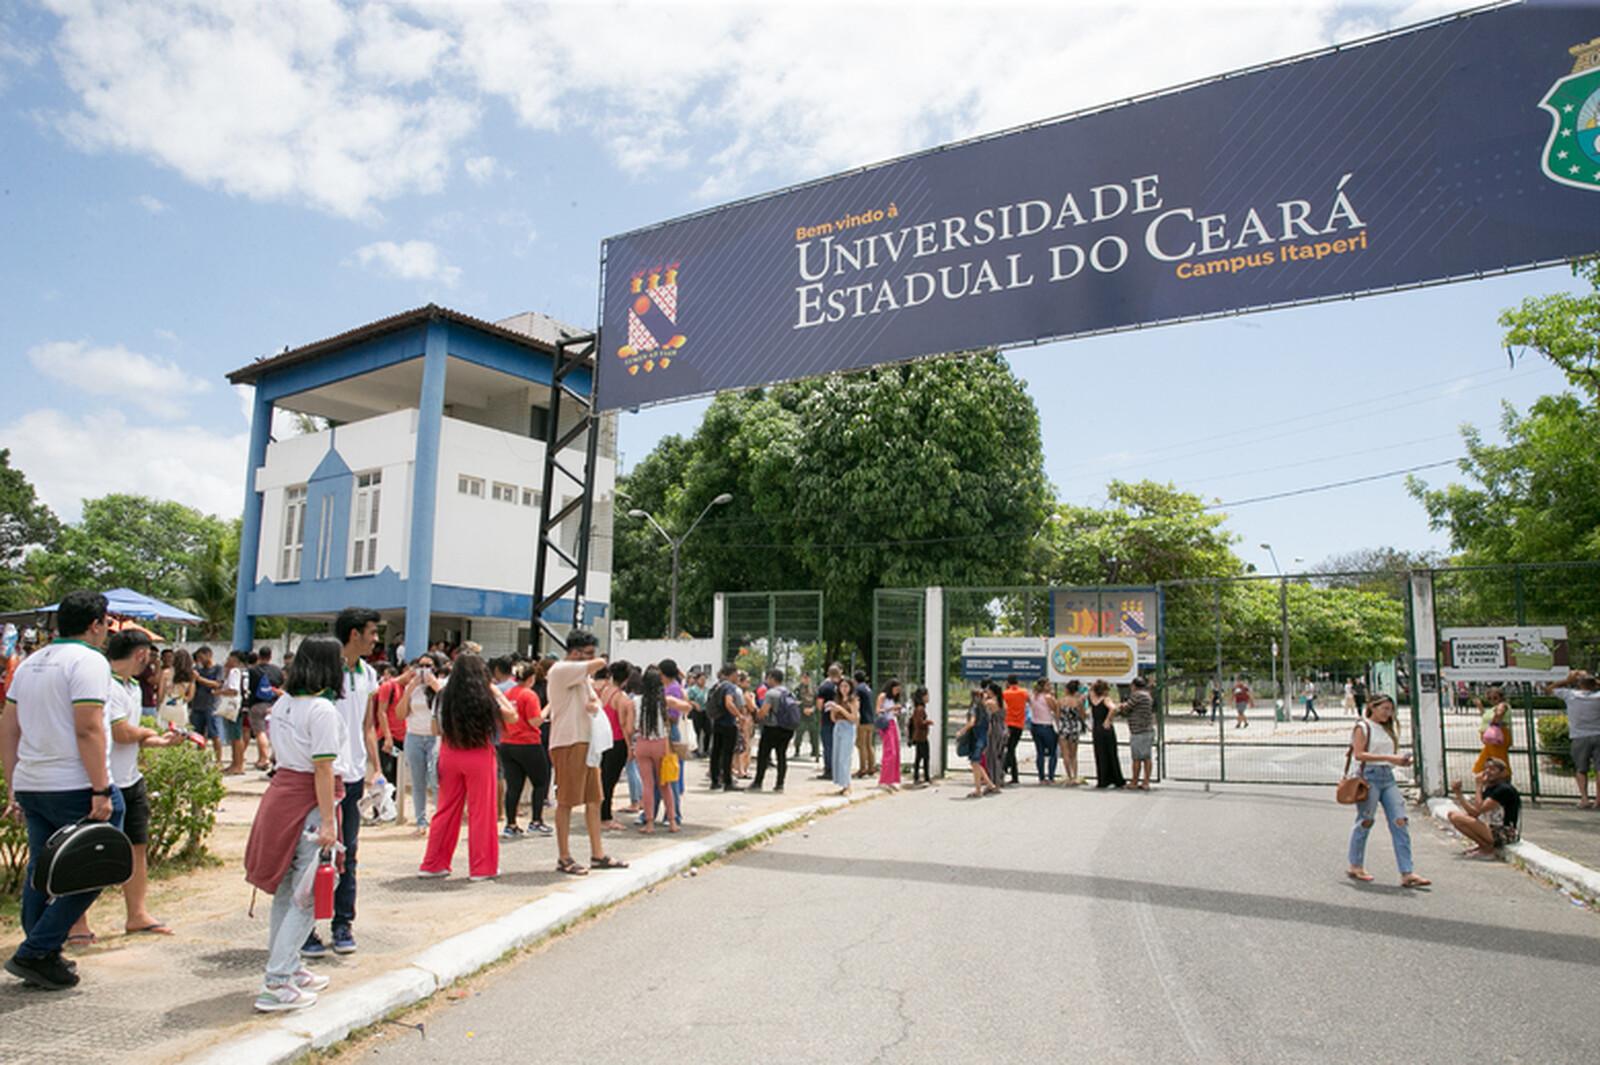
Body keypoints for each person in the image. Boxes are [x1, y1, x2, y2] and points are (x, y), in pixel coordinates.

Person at [1, 591, 123, 990]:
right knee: (97, 866)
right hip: (74, 784)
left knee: (42, 869)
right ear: (95, 624)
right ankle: (36, 950)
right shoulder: (89, 661)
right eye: (106, 623)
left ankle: (43, 954)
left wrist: (13, 787)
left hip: (33, 783)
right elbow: (88, 727)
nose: (107, 631)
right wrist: (101, 789)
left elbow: (8, 729)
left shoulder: (31, 662)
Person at [243, 636, 344, 1012]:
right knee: (309, 892)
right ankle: (278, 979)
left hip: (282, 796)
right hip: (308, 802)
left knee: (289, 888)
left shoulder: (284, 703)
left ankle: (288, 966)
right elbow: (322, 767)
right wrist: (330, 823)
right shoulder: (321, 710)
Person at [69, 630, 184, 945]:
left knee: (137, 847)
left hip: (130, 778)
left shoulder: (131, 686)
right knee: (89, 854)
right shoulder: (104, 683)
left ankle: (137, 913)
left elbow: (128, 734)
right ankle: (76, 921)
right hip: (105, 782)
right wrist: (150, 736)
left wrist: (154, 740)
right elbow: (119, 732)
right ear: (141, 654)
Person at [301, 608, 381, 960]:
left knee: (348, 851)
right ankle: (304, 929)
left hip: (352, 777)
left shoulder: (368, 674)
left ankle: (342, 921)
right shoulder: (324, 671)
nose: (376, 639)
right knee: (311, 854)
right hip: (322, 775)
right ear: (353, 634)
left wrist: (374, 768)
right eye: (372, 632)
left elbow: (368, 725)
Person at [419, 655, 515, 880]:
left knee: (445, 810)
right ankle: (482, 867)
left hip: (450, 753)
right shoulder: (487, 695)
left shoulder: (443, 695)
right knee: (482, 812)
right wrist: (495, 691)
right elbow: (512, 716)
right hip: (479, 754)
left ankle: (433, 864)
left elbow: (435, 729)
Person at [547, 630, 626, 876]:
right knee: (567, 801)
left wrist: (595, 705)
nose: (592, 658)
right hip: (568, 742)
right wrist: (597, 659)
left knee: (594, 799)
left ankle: (597, 853)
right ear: (575, 652)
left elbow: (595, 702)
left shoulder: (582, 679)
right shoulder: (561, 670)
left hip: (587, 743)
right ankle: (564, 856)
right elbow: (601, 663)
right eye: (587, 652)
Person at [1346, 692, 1430, 888]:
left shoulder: (1387, 729)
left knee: (1400, 820)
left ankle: (1407, 871)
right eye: (1384, 709)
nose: (1388, 713)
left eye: (1391, 710)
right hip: (1370, 777)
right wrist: (1390, 758)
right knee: (1366, 820)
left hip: (1388, 777)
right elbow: (1359, 754)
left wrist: (1397, 759)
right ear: (1372, 707)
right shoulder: (1363, 727)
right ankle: (1355, 864)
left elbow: (1387, 754)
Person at [499, 662, 550, 838]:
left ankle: (510, 824)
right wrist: (548, 708)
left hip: (507, 743)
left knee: (513, 786)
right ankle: (536, 821)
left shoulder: (507, 694)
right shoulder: (529, 695)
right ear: (531, 678)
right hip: (528, 742)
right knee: (541, 781)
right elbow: (535, 721)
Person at [631, 666, 679, 834]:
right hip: (661, 744)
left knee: (647, 785)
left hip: (642, 743)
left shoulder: (636, 701)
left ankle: (649, 823)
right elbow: (686, 706)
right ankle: (672, 821)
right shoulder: (664, 700)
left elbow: (632, 726)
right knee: (665, 785)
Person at [400, 655, 444, 833]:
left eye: (429, 666)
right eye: (421, 665)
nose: (424, 669)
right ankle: (421, 820)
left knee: (435, 778)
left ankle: (440, 817)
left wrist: (433, 684)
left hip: (435, 736)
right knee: (418, 781)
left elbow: (447, 702)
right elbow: (400, 713)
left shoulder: (442, 684)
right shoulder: (411, 688)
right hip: (414, 736)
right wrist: (410, 688)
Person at [1544, 671, 1600, 808]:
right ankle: (1598, 799)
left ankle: (1584, 798)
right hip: (1598, 734)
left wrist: (1567, 680)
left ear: (1579, 684)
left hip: (1579, 736)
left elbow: (1548, 689)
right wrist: (1594, 680)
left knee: (1581, 769)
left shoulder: (1570, 695)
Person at [1447, 758, 1521, 856]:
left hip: (1505, 832)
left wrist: (1479, 785)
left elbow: (1479, 809)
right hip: (1491, 828)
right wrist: (1458, 793)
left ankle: (1487, 848)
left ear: (1503, 773)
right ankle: (1483, 845)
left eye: (1492, 769)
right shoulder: (1491, 788)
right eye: (1486, 769)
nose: (1487, 772)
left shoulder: (1504, 789)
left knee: (1458, 817)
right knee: (1453, 815)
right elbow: (1473, 813)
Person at [596, 661, 634, 831]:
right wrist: (630, 747)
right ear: (626, 679)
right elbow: (626, 727)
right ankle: (605, 817)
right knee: (610, 781)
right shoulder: (622, 698)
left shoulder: (604, 692)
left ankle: (601, 813)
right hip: (617, 742)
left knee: (604, 778)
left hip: (603, 740)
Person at [752, 668, 800, 792]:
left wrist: (756, 714)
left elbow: (763, 712)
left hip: (772, 728)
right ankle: (780, 784)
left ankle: (758, 783)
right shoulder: (789, 693)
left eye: (768, 678)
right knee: (781, 756)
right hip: (787, 729)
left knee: (763, 755)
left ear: (772, 678)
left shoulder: (771, 693)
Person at [956, 688, 998, 798]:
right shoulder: (986, 709)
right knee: (976, 763)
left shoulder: (974, 708)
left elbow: (972, 722)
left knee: (975, 762)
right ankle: (990, 785)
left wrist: (961, 731)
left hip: (977, 739)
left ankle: (978, 790)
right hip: (983, 738)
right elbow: (989, 727)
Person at [250, 646, 286, 770]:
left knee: (260, 732)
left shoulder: (253, 670)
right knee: (274, 733)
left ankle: (263, 759)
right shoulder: (277, 670)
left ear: (259, 656)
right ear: (270, 656)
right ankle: (272, 757)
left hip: (257, 704)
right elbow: (282, 685)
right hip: (275, 705)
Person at [706, 665, 742, 791]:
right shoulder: (729, 687)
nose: (737, 678)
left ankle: (715, 781)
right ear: (731, 674)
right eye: (736, 675)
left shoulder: (717, 685)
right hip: (728, 723)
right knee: (727, 753)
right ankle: (728, 782)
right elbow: (729, 703)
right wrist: (739, 715)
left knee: (716, 752)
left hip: (717, 722)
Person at [1088, 680, 1126, 789]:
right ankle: (1116, 779)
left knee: (1100, 754)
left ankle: (1103, 779)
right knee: (1111, 753)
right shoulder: (1106, 699)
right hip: (1106, 728)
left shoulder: (1093, 699)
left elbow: (1090, 692)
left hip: (1097, 728)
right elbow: (1113, 708)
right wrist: (1108, 720)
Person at [217, 650, 249, 775]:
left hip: (234, 706)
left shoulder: (235, 672)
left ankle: (238, 764)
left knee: (236, 737)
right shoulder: (243, 671)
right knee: (235, 736)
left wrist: (219, 692)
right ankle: (235, 763)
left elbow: (233, 690)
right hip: (240, 706)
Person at [1123, 675, 1156, 791]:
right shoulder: (1148, 695)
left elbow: (1126, 708)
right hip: (1148, 729)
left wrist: (1120, 706)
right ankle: (1146, 781)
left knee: (1136, 758)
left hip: (1138, 731)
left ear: (1134, 686)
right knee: (1147, 757)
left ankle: (1134, 781)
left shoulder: (1137, 696)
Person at [1470, 686, 1512, 779]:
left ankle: (1505, 782)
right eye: (1490, 698)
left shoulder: (1502, 705)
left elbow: (1499, 714)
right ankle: (1487, 781)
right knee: (1483, 762)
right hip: (1490, 741)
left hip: (1496, 739)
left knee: (1500, 761)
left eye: (1495, 697)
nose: (1492, 700)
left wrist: (1494, 722)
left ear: (1501, 697)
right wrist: (1479, 706)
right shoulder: (1493, 708)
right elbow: (1485, 716)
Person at [826, 679, 859, 795]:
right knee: (837, 756)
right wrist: (833, 711)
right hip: (838, 727)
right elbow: (833, 719)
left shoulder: (853, 700)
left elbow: (854, 718)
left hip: (848, 728)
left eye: (846, 686)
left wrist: (841, 709)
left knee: (845, 757)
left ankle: (847, 785)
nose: (843, 689)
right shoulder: (838, 700)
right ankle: (842, 783)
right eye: (841, 686)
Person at [190, 646, 223, 761]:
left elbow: (217, 684)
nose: (200, 660)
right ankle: (200, 759)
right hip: (197, 706)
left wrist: (200, 679)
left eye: (201, 657)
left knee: (215, 734)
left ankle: (218, 761)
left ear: (209, 655)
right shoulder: (197, 669)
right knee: (198, 735)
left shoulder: (218, 669)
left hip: (211, 706)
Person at [814, 665, 843, 779]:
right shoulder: (843, 685)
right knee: (839, 745)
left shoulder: (825, 687)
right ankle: (839, 769)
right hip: (841, 718)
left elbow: (819, 704)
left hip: (827, 720)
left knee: (828, 746)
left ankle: (829, 770)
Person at [1056, 680, 1087, 786]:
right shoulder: (1078, 702)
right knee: (1074, 754)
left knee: (1065, 754)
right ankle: (1075, 775)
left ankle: (1069, 776)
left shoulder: (1060, 701)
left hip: (1064, 728)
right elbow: (1083, 715)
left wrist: (1058, 726)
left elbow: (1057, 715)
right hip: (1074, 728)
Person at [1028, 678, 1058, 784]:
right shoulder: (1048, 697)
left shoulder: (1033, 696)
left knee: (1040, 752)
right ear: (1044, 686)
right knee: (1053, 752)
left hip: (1035, 725)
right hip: (1046, 725)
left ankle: (1041, 777)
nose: (1050, 687)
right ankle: (1051, 776)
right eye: (1048, 685)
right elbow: (1056, 709)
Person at [157, 647, 195, 731]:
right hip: (180, 704)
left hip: (167, 702)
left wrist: (159, 703)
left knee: (164, 730)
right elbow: (190, 696)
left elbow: (160, 694)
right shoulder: (191, 675)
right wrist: (181, 699)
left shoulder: (166, 672)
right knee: (180, 731)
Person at [876, 678, 903, 791]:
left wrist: (896, 712)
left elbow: (891, 713)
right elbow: (878, 710)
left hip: (893, 723)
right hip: (886, 725)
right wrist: (891, 708)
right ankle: (884, 779)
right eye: (896, 689)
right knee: (889, 752)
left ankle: (893, 779)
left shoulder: (892, 699)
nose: (897, 691)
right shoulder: (883, 696)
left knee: (896, 752)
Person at [1000, 675, 1027, 785]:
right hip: (1019, 724)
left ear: (1008, 682)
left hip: (1008, 723)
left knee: (1010, 749)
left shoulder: (1005, 693)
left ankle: (1003, 769)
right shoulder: (1023, 692)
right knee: (1012, 749)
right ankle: (1014, 776)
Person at [854, 670, 878, 778]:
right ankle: (872, 767)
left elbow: (857, 703)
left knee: (861, 744)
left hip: (862, 720)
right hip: (871, 720)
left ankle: (863, 768)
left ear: (855, 680)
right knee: (869, 745)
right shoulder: (868, 689)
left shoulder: (858, 689)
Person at [792, 670, 819, 761]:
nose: (805, 679)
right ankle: (797, 750)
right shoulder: (797, 689)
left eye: (807, 678)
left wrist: (813, 709)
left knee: (814, 733)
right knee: (799, 733)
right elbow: (795, 701)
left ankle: (815, 751)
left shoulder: (815, 688)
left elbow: (817, 701)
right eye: (804, 677)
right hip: (801, 714)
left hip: (812, 714)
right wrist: (802, 708)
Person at [909, 687, 932, 786]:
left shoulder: (919, 708)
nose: (928, 697)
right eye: (926, 695)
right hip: (921, 737)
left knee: (919, 757)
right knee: (925, 757)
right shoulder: (920, 709)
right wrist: (927, 722)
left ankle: (917, 776)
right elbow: (919, 723)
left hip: (919, 736)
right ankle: (926, 777)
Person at [686, 670, 709, 757]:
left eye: (704, 679)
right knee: (697, 731)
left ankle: (706, 750)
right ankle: (696, 750)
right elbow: (688, 699)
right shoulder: (693, 689)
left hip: (705, 711)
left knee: (708, 730)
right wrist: (694, 704)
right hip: (696, 712)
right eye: (701, 679)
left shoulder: (707, 689)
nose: (703, 681)